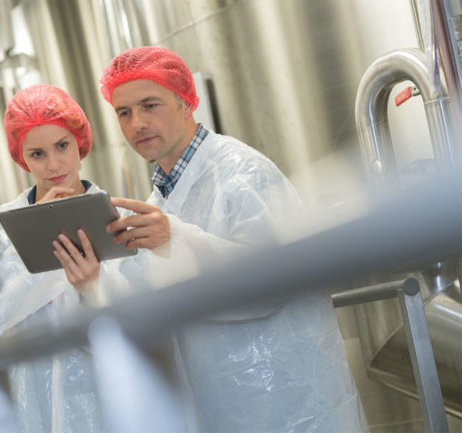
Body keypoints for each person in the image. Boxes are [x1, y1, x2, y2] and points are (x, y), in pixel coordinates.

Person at [98, 46, 367, 432]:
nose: (137, 122)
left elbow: (271, 283)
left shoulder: (242, 174)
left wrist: (177, 239)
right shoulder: (159, 201)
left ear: (185, 103)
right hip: (220, 404)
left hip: (288, 400)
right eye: (124, 112)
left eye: (150, 105)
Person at [0, 84, 112, 433]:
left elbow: (143, 320)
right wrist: (36, 241)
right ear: (21, 157)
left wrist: (93, 289)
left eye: (62, 146)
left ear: (80, 143)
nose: (54, 164)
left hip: (111, 408)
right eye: (37, 154)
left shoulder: (115, 220)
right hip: (32, 413)